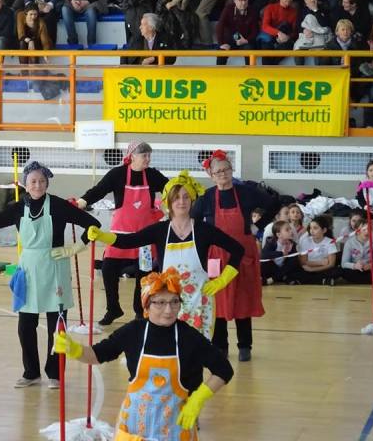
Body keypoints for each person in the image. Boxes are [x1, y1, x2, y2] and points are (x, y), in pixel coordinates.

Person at [0, 161, 99, 388]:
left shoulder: (59, 205)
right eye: (33, 181)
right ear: (25, 184)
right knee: (25, 325)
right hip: (29, 269)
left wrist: (75, 248)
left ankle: (55, 374)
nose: (37, 185)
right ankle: (31, 373)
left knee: (57, 327)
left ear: (47, 183)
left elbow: (93, 224)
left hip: (55, 269)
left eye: (41, 181)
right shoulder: (18, 207)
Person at [53, 268, 234, 440]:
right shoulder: (133, 331)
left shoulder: (189, 337)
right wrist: (74, 349)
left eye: (174, 302)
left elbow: (224, 370)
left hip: (175, 427)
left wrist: (197, 399)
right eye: (160, 303)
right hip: (134, 426)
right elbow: (96, 355)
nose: (169, 310)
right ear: (147, 304)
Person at [88, 170, 244, 339]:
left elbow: (238, 249)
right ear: (168, 202)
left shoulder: (203, 230)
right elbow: (129, 241)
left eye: (186, 197)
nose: (181, 202)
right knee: (168, 347)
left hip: (199, 302)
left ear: (192, 200)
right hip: (167, 304)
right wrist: (102, 235)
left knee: (196, 349)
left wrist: (222, 280)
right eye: (176, 198)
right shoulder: (160, 230)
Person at [191, 149, 277, 361]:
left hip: (244, 254)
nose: (223, 174)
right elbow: (193, 223)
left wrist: (257, 227)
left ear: (231, 170)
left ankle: (245, 346)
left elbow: (274, 204)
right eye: (218, 172)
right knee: (218, 301)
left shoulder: (246, 192)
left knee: (243, 300)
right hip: (217, 258)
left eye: (226, 169)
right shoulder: (206, 198)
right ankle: (220, 346)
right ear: (211, 175)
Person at [76, 141, 168, 325]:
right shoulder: (117, 174)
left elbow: (170, 188)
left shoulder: (152, 175)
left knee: (143, 275)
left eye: (149, 155)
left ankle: (140, 311)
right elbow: (99, 190)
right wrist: (82, 201)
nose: (148, 159)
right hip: (119, 234)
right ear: (132, 156)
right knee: (108, 268)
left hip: (145, 237)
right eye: (144, 155)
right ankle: (113, 309)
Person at [215, 0, 258, 66]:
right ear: (235, 0)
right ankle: (219, 72)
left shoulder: (252, 11)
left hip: (244, 41)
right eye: (240, 0)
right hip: (230, 39)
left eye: (246, 0)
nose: (244, 3)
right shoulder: (228, 9)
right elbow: (220, 26)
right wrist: (221, 43)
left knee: (249, 49)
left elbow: (255, 31)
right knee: (222, 51)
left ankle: (250, 72)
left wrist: (246, 41)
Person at [257, 0, 297, 65]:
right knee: (266, 47)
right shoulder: (270, 7)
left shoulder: (294, 12)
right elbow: (265, 26)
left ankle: (270, 68)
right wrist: (278, 33)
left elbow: (295, 31)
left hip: (284, 39)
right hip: (269, 37)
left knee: (289, 45)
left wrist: (287, 37)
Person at [298, 214, 341, 285]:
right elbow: (303, 262)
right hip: (309, 268)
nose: (312, 231)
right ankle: (322, 281)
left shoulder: (330, 242)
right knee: (297, 272)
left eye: (315, 228)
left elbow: (331, 264)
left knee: (338, 271)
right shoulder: (305, 241)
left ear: (324, 230)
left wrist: (312, 269)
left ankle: (313, 280)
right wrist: (320, 263)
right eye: (311, 228)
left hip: (323, 269)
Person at [261, 220, 302, 285]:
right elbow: (264, 255)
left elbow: (292, 262)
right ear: (279, 234)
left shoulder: (292, 244)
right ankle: (283, 278)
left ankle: (273, 279)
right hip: (272, 267)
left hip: (283, 268)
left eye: (290, 229)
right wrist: (281, 253)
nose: (291, 231)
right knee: (264, 263)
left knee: (294, 263)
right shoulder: (271, 242)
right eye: (287, 230)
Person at [17, 2, 52, 66]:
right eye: (31, 14)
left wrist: (46, 54)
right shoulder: (20, 15)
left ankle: (34, 68)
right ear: (26, 13)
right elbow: (20, 34)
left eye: (35, 14)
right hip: (23, 40)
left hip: (37, 42)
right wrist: (30, 41)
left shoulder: (41, 22)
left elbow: (45, 42)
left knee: (34, 46)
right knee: (22, 43)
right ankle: (23, 68)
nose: (33, 17)